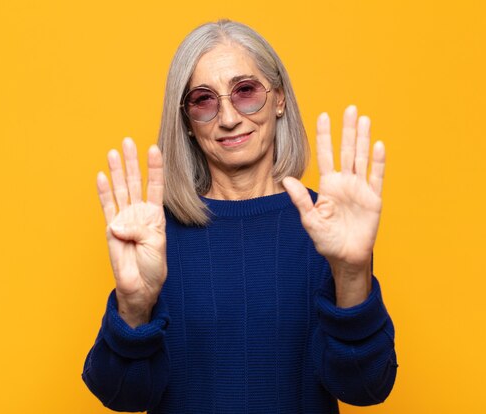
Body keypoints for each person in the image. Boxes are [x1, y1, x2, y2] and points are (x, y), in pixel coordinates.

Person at [82, 19, 397, 413]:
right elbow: (120, 396)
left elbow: (366, 388)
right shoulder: (155, 236)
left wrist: (352, 273)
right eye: (204, 100)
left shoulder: (326, 226)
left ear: (279, 98)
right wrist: (133, 306)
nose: (229, 117)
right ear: (188, 123)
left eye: (245, 91)